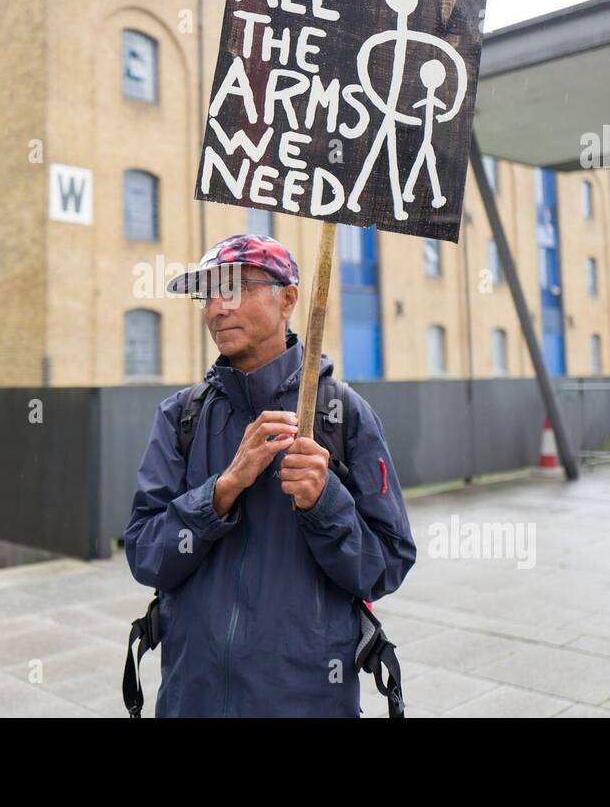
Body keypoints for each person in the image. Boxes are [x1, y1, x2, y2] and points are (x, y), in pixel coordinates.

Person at [123, 233, 416, 717]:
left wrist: (325, 503)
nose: (216, 309)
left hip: (307, 699)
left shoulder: (344, 414)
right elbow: (146, 557)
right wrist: (220, 492)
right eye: (207, 294)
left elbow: (385, 565)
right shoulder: (181, 417)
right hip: (191, 697)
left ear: (289, 299)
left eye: (235, 289)